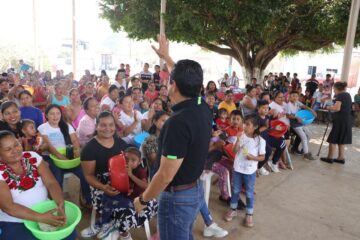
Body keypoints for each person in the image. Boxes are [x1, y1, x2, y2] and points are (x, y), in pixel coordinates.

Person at [133, 34, 212, 240]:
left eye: (170, 80)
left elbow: (166, 175)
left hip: (177, 198)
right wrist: (167, 58)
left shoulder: (176, 123)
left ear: (173, 86)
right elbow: (186, 80)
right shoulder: (202, 106)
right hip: (194, 191)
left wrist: (143, 199)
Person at [81, 112, 157, 239]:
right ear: (97, 126)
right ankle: (119, 231)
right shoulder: (89, 149)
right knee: (124, 208)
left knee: (150, 201)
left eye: (111, 125)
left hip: (126, 182)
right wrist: (104, 187)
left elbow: (134, 164)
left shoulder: (120, 144)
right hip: (102, 187)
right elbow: (88, 176)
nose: (108, 128)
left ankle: (115, 228)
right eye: (103, 125)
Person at [0, 130, 76, 240]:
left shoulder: (33, 157)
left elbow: (51, 183)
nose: (15, 150)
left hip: (45, 210)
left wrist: (60, 205)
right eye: (8, 149)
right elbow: (8, 207)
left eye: (16, 144)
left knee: (70, 235)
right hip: (15, 220)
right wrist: (41, 218)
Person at [38, 104, 91, 206]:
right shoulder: (43, 128)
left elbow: (75, 140)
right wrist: (61, 157)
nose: (55, 116)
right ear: (46, 115)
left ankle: (87, 199)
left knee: (85, 175)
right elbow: (49, 146)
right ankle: (59, 203)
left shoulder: (66, 125)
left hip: (68, 155)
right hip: (51, 157)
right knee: (57, 179)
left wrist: (76, 150)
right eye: (52, 114)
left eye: (58, 113)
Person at [224, 115, 265, 227]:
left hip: (249, 171)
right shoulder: (241, 136)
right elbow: (234, 150)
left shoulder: (260, 141)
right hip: (237, 168)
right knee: (235, 190)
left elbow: (262, 157)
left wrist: (253, 158)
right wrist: (237, 140)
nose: (244, 126)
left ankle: (249, 214)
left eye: (248, 124)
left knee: (249, 193)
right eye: (244, 123)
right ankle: (233, 209)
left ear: (255, 126)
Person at [321, 82, 352, 164]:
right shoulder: (347, 95)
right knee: (341, 139)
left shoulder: (340, 95)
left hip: (340, 121)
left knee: (333, 139)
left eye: (334, 89)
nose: (334, 91)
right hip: (346, 120)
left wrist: (329, 107)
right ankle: (341, 158)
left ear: (337, 88)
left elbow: (337, 108)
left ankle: (329, 157)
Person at [256, 100, 286, 175]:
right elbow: (254, 132)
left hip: (267, 137)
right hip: (258, 139)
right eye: (263, 108)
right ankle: (259, 167)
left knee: (282, 143)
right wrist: (265, 127)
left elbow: (268, 129)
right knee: (268, 150)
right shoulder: (255, 118)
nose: (266, 110)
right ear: (258, 108)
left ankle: (273, 163)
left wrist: (274, 128)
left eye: (267, 108)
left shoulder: (267, 117)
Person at [285, 91, 317, 160]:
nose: (295, 97)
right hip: (294, 124)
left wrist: (312, 110)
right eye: (293, 96)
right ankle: (306, 154)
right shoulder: (288, 105)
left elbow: (304, 106)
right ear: (289, 97)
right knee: (304, 137)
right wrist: (296, 117)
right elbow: (288, 116)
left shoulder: (297, 102)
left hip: (301, 122)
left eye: (296, 96)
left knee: (309, 134)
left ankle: (304, 149)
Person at [142, 111, 170, 179]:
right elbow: (155, 161)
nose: (166, 124)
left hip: (168, 173)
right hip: (157, 176)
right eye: (163, 120)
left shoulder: (169, 138)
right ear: (155, 121)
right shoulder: (150, 140)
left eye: (168, 121)